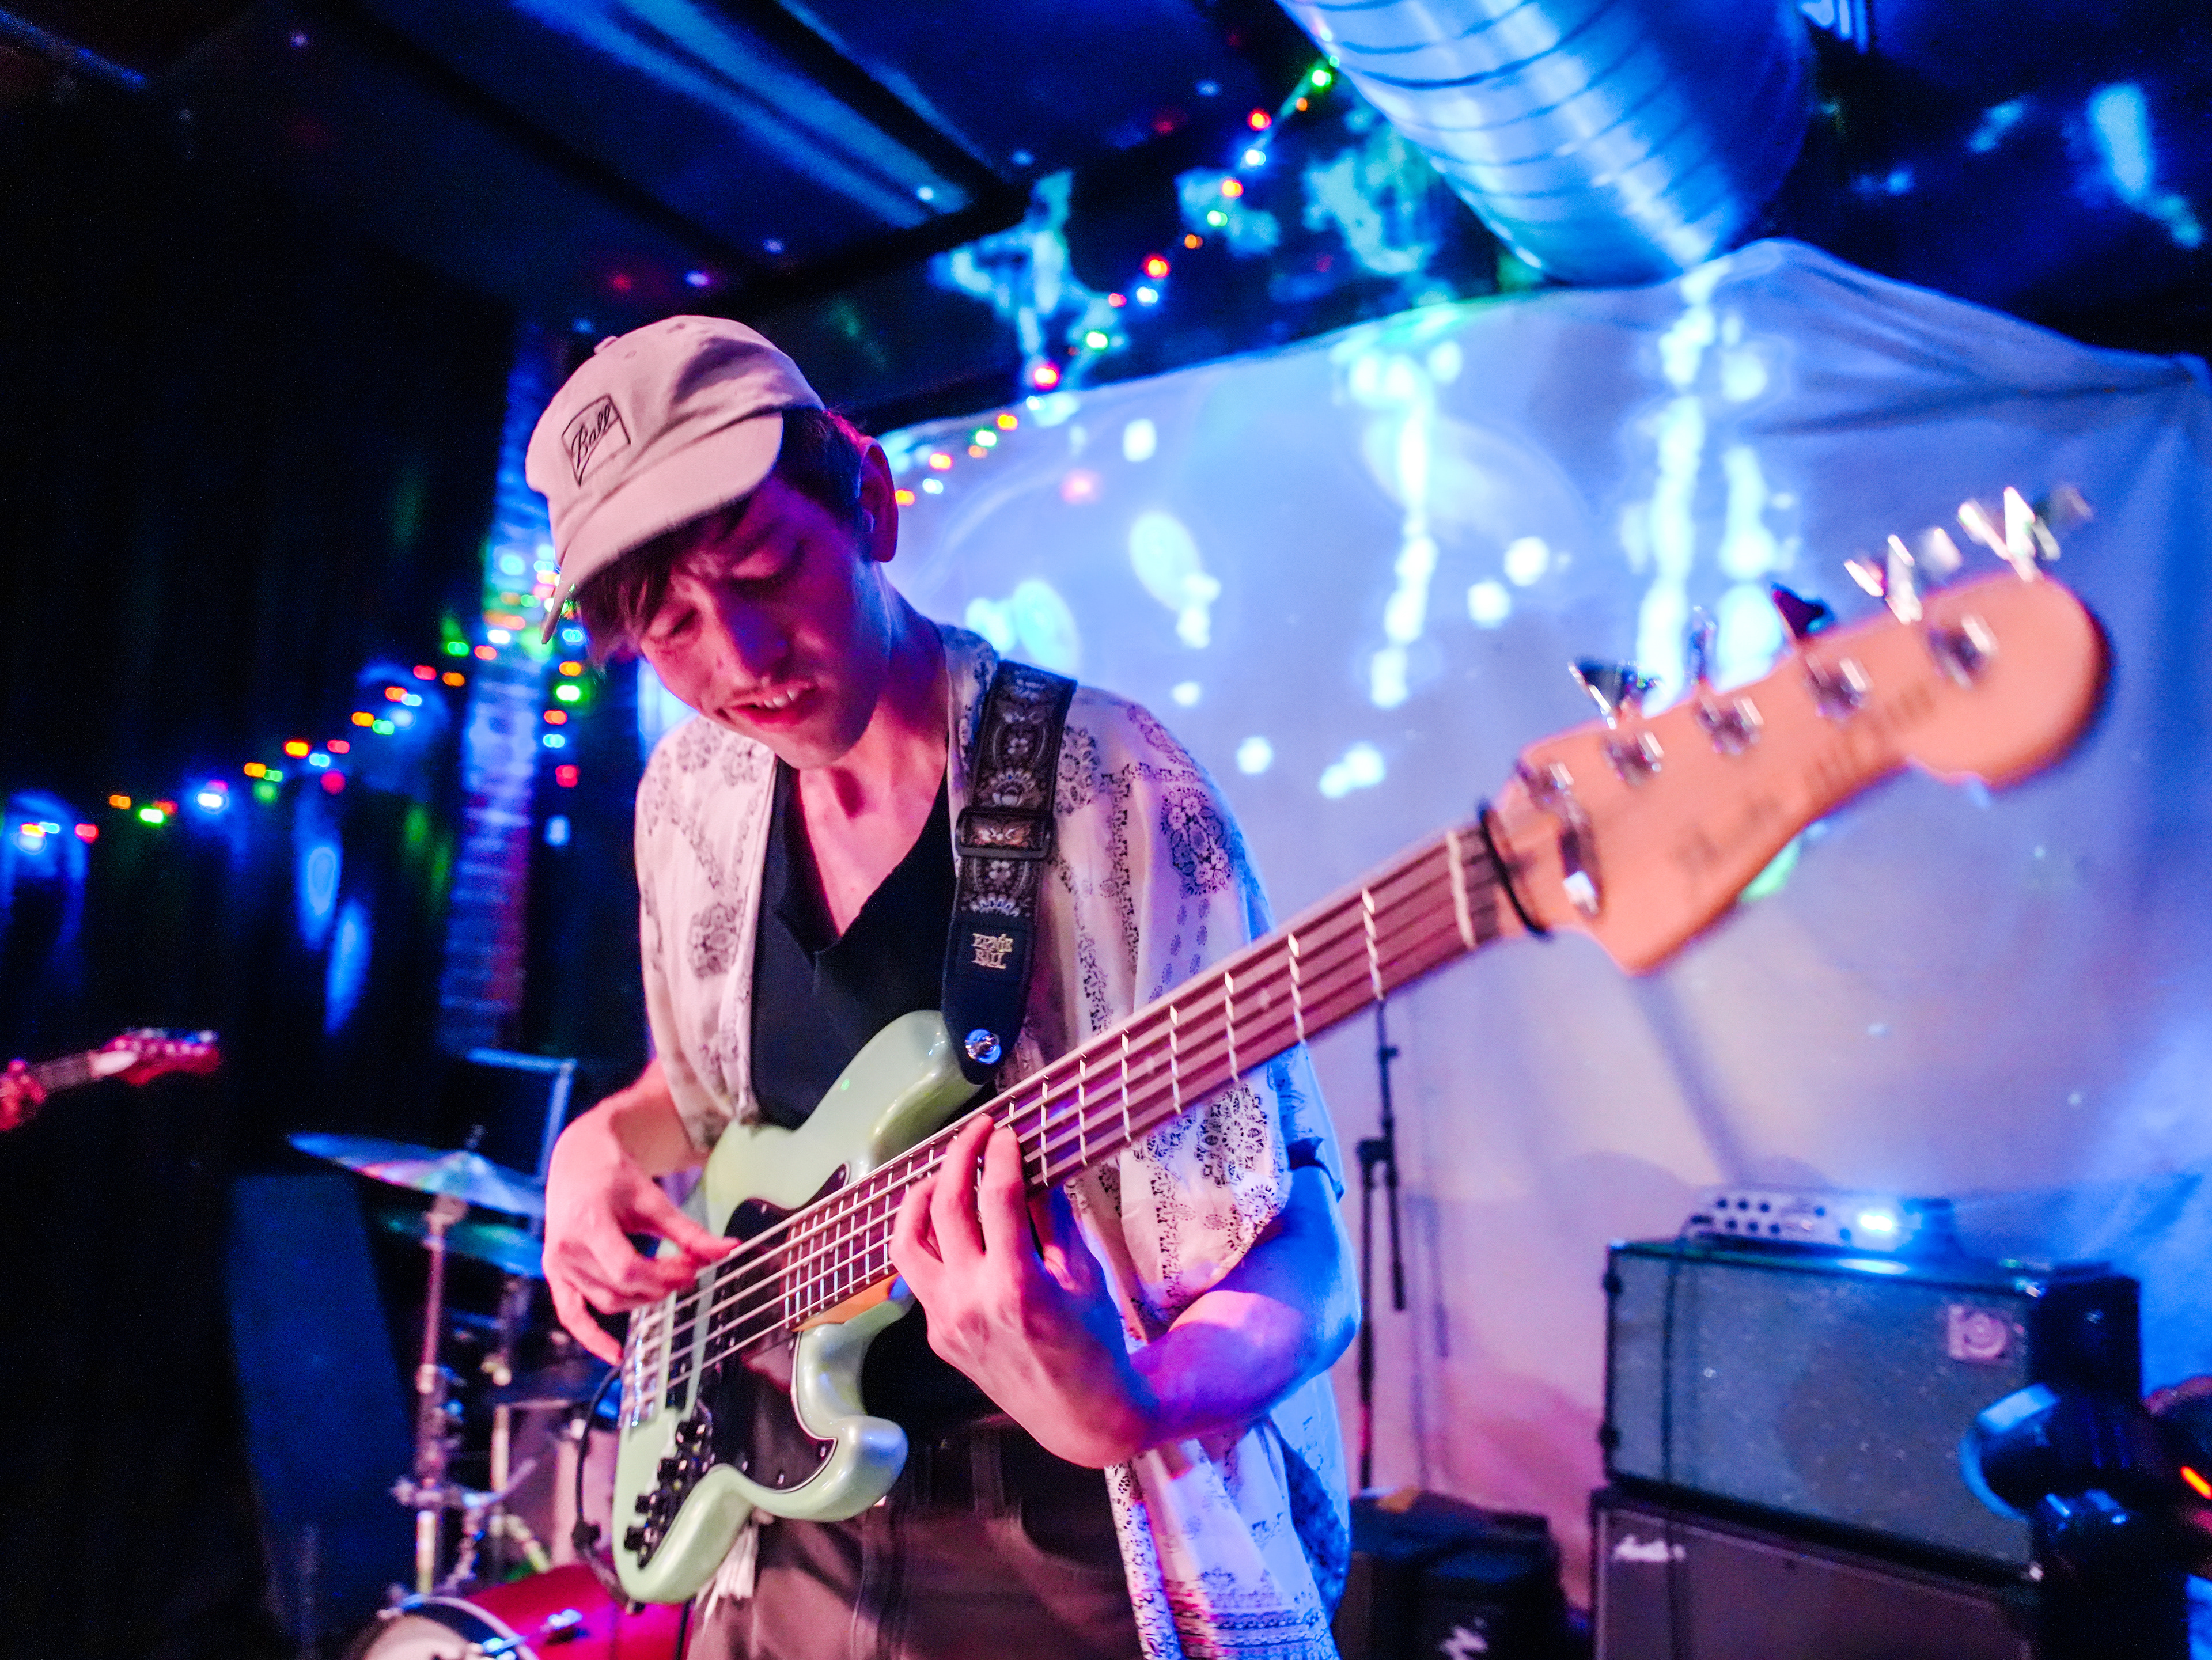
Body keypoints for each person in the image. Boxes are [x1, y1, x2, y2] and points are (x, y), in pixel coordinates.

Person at [528, 317, 1357, 1660]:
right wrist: (591, 1148)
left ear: (870, 500)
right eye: (671, 626)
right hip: (782, 1516)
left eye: (764, 570)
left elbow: (1307, 1255)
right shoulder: (688, 796)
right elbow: (702, 1099)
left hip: (1064, 1534)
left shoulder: (1110, 789)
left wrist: (1136, 1398)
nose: (739, 661)